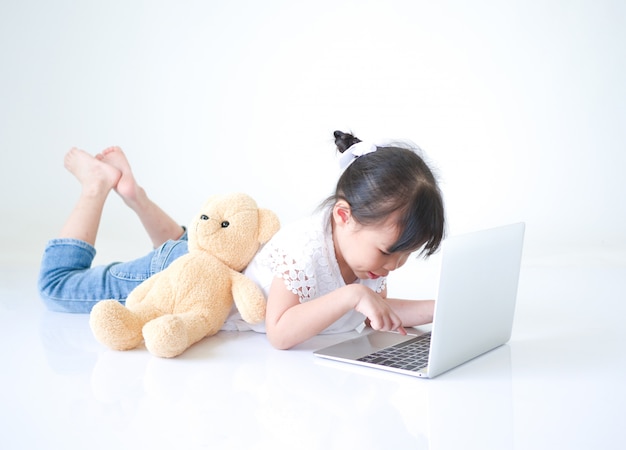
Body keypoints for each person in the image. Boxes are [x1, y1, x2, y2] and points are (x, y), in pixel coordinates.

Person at [38, 131, 445, 350]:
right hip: (185, 280)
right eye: (390, 252)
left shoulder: (364, 258)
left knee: (184, 247)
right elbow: (281, 332)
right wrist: (352, 297)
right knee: (57, 285)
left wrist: (439, 308)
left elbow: (379, 311)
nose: (393, 266)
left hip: (219, 267)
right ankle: (96, 185)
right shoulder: (304, 249)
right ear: (343, 215)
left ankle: (135, 195)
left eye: (408, 255)